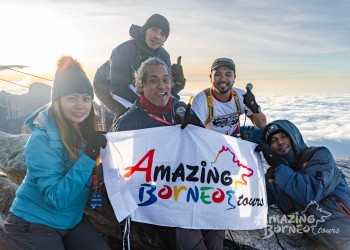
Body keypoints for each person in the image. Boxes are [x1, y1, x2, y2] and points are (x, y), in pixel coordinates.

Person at [116, 57, 224, 250]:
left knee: (216, 226)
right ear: (140, 85)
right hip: (159, 199)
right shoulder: (129, 122)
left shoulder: (182, 111)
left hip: (192, 190)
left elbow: (206, 150)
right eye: (153, 80)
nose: (162, 86)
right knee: (191, 239)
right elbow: (121, 170)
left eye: (166, 80)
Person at [3, 56, 110, 249]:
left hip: (71, 220)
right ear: (57, 101)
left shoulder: (84, 132)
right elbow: (56, 198)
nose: (80, 105)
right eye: (72, 98)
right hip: (32, 223)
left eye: (86, 99)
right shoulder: (41, 140)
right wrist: (88, 156)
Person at [255, 120, 350, 250]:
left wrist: (277, 165)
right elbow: (256, 200)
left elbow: (309, 194)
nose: (280, 142)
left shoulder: (319, 156)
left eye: (284, 136)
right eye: (273, 140)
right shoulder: (273, 178)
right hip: (321, 242)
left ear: (294, 136)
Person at [94, 14, 186, 123]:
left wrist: (178, 82)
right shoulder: (123, 50)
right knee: (128, 113)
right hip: (107, 84)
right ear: (145, 30)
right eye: (154, 29)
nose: (157, 36)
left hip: (135, 84)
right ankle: (117, 135)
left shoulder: (164, 56)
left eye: (163, 34)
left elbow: (166, 91)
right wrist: (145, 106)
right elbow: (118, 88)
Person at [190, 57, 266, 138]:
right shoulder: (201, 101)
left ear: (234, 78)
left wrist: (254, 106)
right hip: (211, 141)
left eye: (228, 74)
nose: (223, 79)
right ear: (210, 77)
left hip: (235, 139)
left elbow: (262, 126)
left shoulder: (241, 96)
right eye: (218, 74)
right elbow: (195, 134)